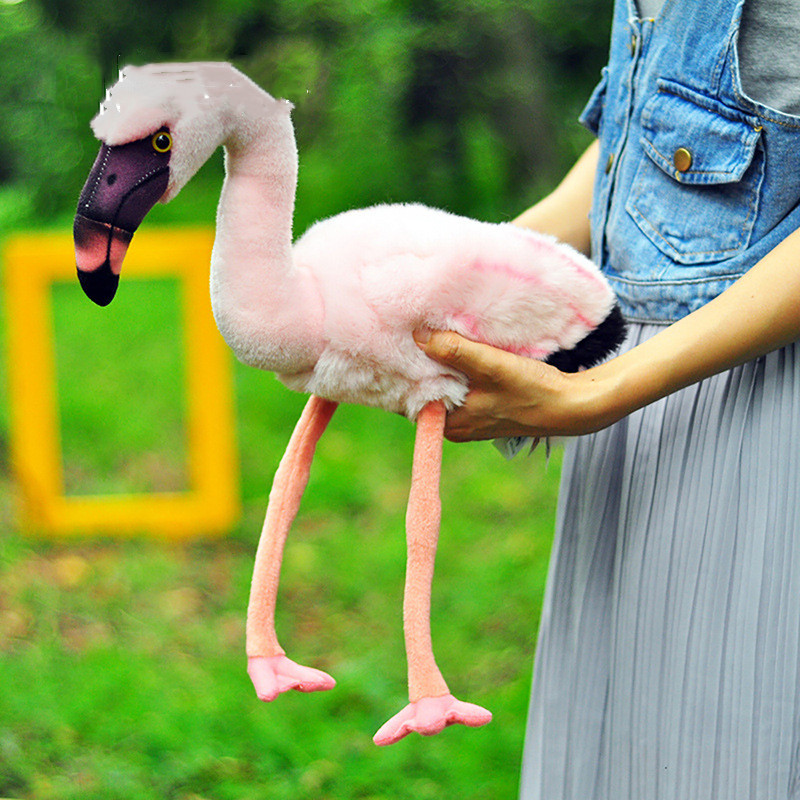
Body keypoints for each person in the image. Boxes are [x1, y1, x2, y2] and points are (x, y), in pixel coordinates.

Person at [415, 0, 800, 797]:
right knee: (622, 753)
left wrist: (603, 390)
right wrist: (470, 283)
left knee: (722, 750)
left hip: (758, 411)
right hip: (642, 415)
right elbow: (644, 140)